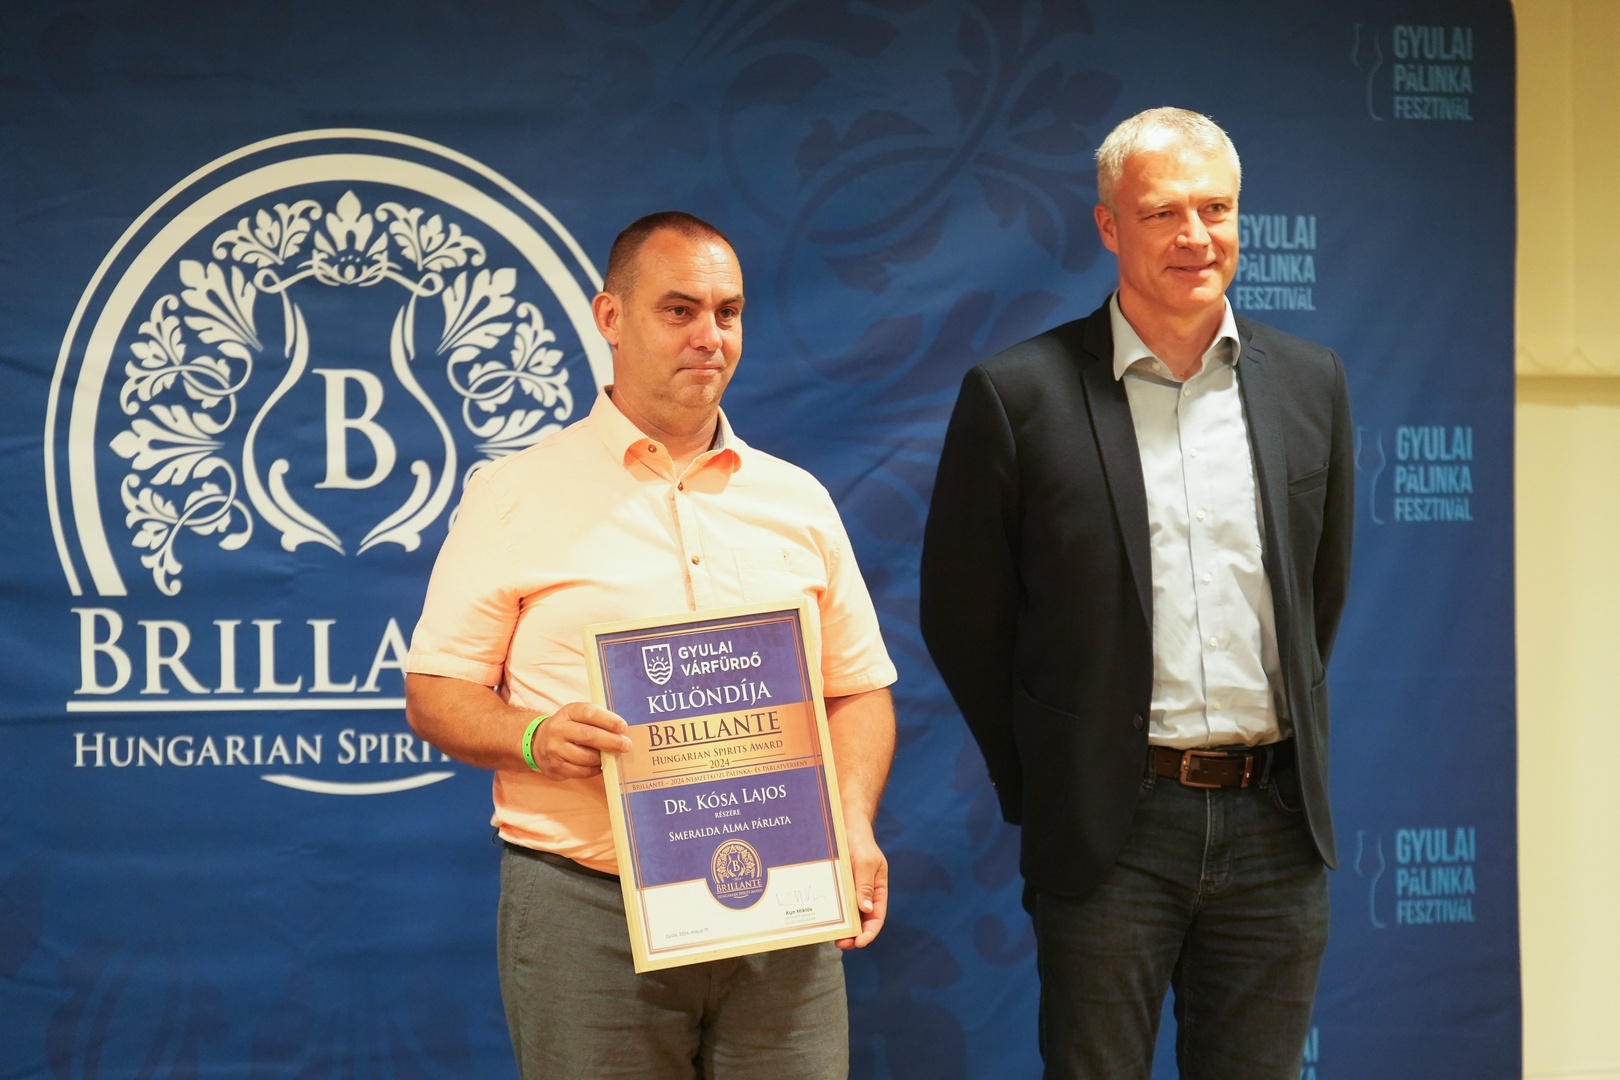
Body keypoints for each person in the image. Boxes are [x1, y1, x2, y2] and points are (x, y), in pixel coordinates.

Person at [404, 211, 897, 1079]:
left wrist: (852, 820)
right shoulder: (514, 495)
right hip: (588, 912)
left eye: (728, 312)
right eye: (679, 310)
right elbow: (437, 693)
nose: (710, 336)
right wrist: (534, 736)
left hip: (786, 903)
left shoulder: (798, 501)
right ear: (610, 317)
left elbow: (856, 689)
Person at [919, 108, 1353, 1079]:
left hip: (1276, 824)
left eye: (1216, 209)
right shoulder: (1018, 394)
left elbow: (1317, 597)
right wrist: (1055, 776)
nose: (1195, 236)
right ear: (1110, 226)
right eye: (1163, 213)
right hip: (1112, 829)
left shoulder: (1311, 384)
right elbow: (963, 619)